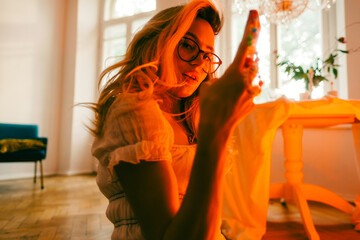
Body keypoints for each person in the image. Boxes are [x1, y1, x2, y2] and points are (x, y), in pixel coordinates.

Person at [90, 0, 261, 239]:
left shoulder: (195, 114)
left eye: (208, 54)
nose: (200, 62)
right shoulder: (133, 111)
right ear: (158, 44)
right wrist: (218, 128)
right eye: (188, 45)